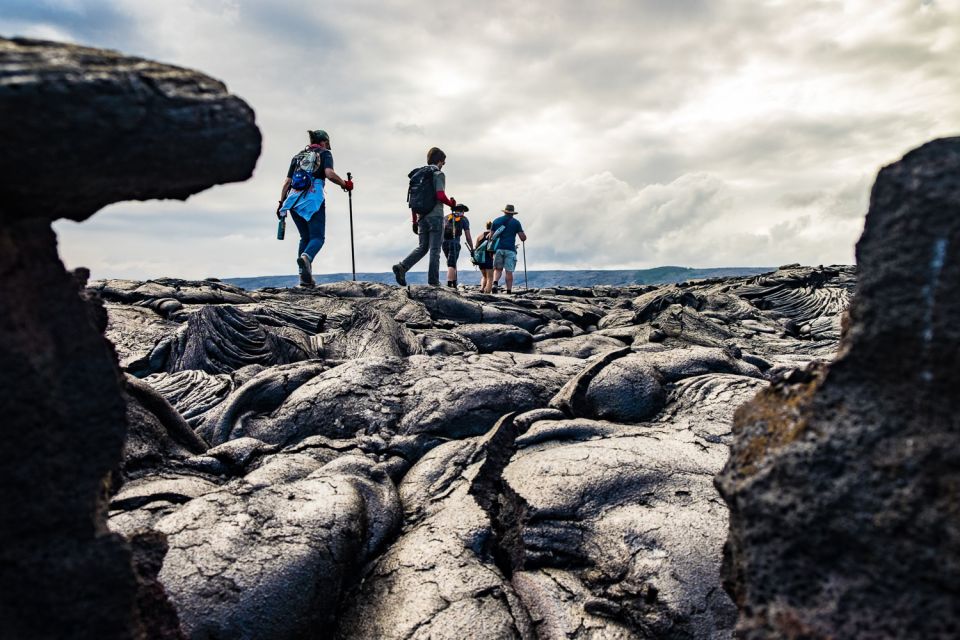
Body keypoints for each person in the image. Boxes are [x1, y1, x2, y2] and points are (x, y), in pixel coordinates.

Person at [278, 129, 353, 287]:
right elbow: (329, 174)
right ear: (324, 141)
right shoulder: (324, 153)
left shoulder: (297, 156)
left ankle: (304, 278)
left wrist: (281, 203)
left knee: (305, 238)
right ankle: (306, 257)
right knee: (318, 238)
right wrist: (345, 184)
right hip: (313, 199)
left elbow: (287, 182)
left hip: (293, 201)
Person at [392, 147, 457, 287]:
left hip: (421, 217)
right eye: (443, 162)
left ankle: (402, 267)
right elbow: (440, 195)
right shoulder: (438, 174)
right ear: (439, 161)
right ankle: (433, 282)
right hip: (435, 216)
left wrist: (415, 221)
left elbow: (413, 201)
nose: (443, 165)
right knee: (435, 250)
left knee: (422, 247)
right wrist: (451, 203)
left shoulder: (419, 175)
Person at [490, 204, 527, 294]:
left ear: (505, 211)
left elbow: (491, 236)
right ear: (513, 213)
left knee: (498, 269)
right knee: (509, 271)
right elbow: (522, 238)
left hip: (498, 248)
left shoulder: (496, 221)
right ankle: (509, 291)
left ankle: (495, 283)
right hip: (510, 249)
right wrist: (523, 235)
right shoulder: (516, 222)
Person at [441, 205, 474, 289]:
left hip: (444, 242)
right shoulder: (464, 219)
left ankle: (454, 283)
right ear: (463, 211)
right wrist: (472, 248)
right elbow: (468, 236)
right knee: (451, 264)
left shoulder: (446, 217)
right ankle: (449, 284)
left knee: (451, 262)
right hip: (455, 243)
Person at [474, 220, 495, 293]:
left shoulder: (480, 236)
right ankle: (487, 293)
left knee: (484, 276)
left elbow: (476, 247)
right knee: (490, 278)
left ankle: (482, 288)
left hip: (480, 259)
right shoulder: (492, 235)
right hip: (488, 258)